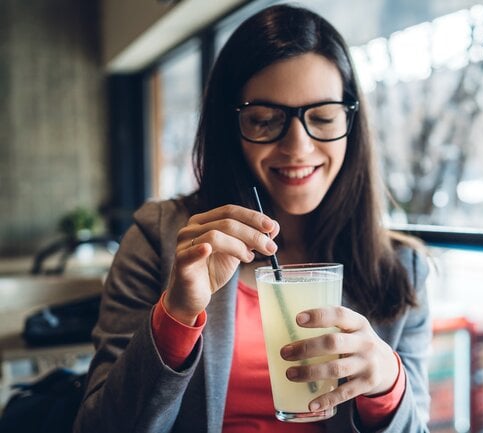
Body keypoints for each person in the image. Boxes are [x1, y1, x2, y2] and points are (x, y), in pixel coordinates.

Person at [73, 4, 431, 433]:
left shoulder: (400, 269)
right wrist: (177, 313)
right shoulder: (160, 239)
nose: (298, 147)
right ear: (231, 127)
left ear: (351, 123)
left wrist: (388, 385)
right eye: (265, 120)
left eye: (322, 117)